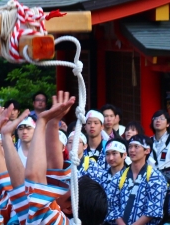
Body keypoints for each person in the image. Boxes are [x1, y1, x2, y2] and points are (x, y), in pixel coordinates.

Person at [16, 90, 108, 225]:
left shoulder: (53, 219)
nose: (65, 185)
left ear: (70, 208)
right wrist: (54, 122)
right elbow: (54, 169)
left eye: (70, 186)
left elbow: (33, 176)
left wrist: (42, 122)